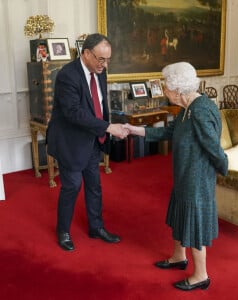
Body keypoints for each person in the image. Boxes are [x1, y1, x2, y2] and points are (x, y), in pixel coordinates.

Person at [124, 62, 228, 291]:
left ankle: (201, 275)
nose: (163, 89)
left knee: (195, 223)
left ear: (178, 89)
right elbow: (167, 132)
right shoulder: (187, 109)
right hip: (185, 174)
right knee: (181, 214)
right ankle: (178, 257)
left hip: (197, 178)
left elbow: (214, 148)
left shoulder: (200, 110)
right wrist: (134, 130)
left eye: (165, 85)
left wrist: (224, 169)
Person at [46, 33, 129, 251]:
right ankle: (63, 230)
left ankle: (96, 227)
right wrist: (108, 127)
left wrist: (105, 129)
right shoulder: (67, 75)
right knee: (72, 186)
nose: (105, 64)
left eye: (108, 59)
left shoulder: (99, 71)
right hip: (70, 141)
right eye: (101, 59)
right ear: (86, 53)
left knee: (94, 186)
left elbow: (100, 105)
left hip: (92, 138)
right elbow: (74, 112)